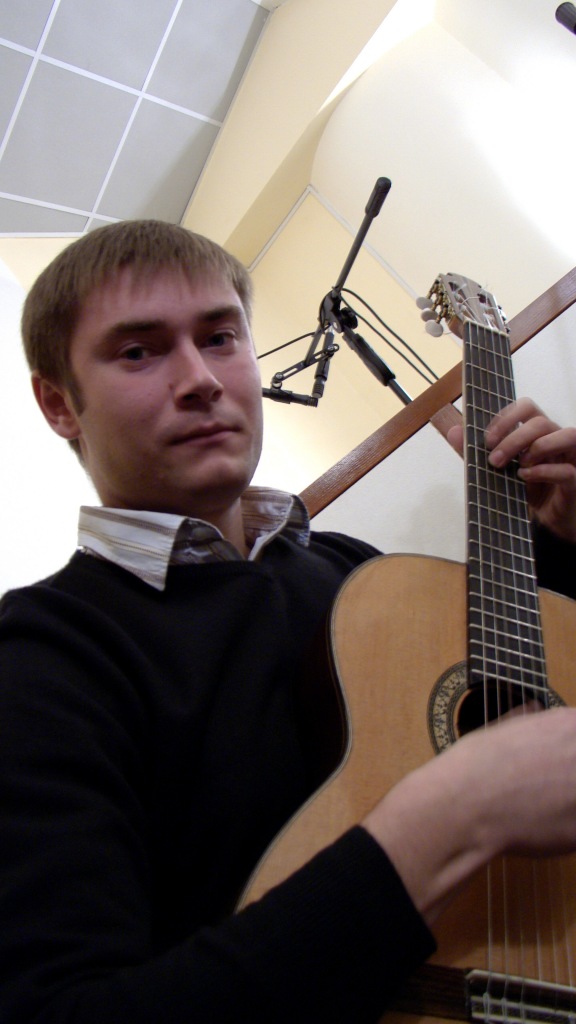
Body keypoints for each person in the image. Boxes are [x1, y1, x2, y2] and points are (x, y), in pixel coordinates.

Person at [0, 219, 575, 1024]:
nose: (201, 379)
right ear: (60, 403)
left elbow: (528, 711)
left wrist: (561, 543)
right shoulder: (41, 651)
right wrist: (455, 815)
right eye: (138, 351)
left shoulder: (357, 570)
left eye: (220, 337)